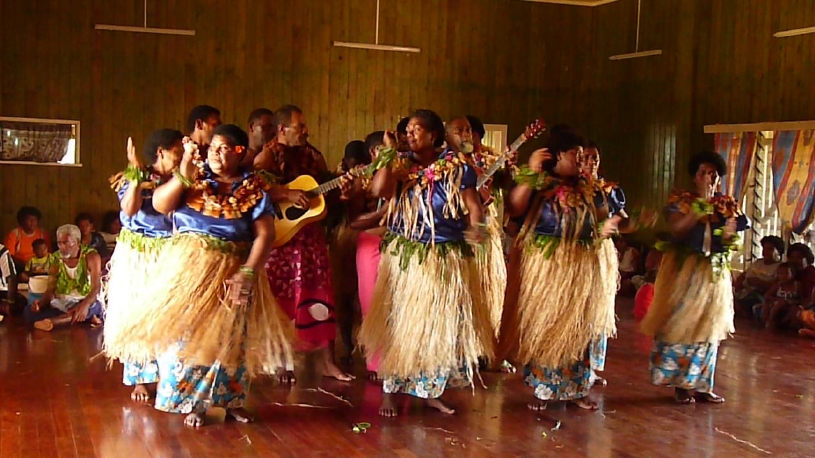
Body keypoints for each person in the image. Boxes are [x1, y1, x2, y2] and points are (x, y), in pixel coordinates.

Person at [113, 124, 293, 427]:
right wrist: (184, 170)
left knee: (232, 338)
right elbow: (160, 204)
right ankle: (194, 404)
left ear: (239, 153)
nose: (216, 155)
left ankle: (230, 402)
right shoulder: (194, 177)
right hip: (189, 268)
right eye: (213, 148)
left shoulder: (254, 188)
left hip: (234, 269)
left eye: (224, 149)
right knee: (188, 338)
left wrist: (248, 271)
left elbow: (265, 235)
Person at [359, 109, 493, 417]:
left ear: (433, 136)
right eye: (407, 130)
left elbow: (473, 204)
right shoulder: (399, 163)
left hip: (443, 255)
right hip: (405, 257)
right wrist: (388, 155)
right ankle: (390, 392)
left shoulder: (458, 167)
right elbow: (379, 191)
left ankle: (430, 391)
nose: (409, 134)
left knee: (437, 327)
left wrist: (478, 228)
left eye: (416, 129)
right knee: (397, 323)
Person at [500, 125, 623, 411]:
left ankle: (577, 389)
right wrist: (532, 171)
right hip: (546, 265)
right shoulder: (538, 183)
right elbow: (514, 209)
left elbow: (606, 216)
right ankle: (544, 389)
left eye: (583, 156)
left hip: (582, 266)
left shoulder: (590, 187)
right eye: (575, 155)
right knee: (547, 325)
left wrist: (611, 224)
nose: (581, 161)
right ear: (555, 155)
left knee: (579, 328)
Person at [254, 104, 353, 382]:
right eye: (300, 126)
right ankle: (282, 361)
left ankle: (327, 361)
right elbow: (252, 189)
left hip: (310, 238)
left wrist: (342, 193)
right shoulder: (267, 156)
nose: (306, 131)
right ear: (282, 129)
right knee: (282, 298)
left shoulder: (313, 156)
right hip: (281, 239)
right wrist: (285, 193)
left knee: (320, 295)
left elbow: (324, 195)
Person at [641, 151, 749, 404]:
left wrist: (729, 236)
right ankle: (680, 384)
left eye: (714, 174)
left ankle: (702, 385)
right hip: (685, 270)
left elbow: (732, 235)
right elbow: (678, 230)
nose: (709, 178)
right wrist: (701, 203)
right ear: (695, 177)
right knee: (680, 325)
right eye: (704, 173)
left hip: (712, 273)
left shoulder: (727, 205)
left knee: (708, 330)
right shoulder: (681, 202)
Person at [103, 129, 184, 403]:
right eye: (177, 151)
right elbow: (129, 209)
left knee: (168, 316)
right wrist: (137, 179)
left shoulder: (182, 179)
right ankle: (140, 378)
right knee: (137, 315)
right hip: (138, 254)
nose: (181, 156)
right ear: (161, 152)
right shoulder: (134, 176)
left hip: (172, 252)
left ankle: (167, 375)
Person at [348, 130, 388, 380]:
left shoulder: (401, 174)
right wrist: (383, 214)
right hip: (371, 244)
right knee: (371, 304)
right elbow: (354, 221)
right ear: (374, 152)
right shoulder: (361, 179)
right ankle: (376, 363)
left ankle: (399, 362)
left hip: (398, 245)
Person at [27, 224, 104, 331]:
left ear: (77, 242)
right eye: (59, 243)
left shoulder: (91, 257)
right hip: (62, 302)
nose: (62, 247)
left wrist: (84, 305)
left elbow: (96, 288)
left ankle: (53, 322)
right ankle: (85, 317)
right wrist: (41, 303)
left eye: (66, 243)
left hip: (85, 300)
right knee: (28, 312)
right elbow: (50, 290)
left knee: (93, 307)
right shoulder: (55, 258)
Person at [734, 236, 783, 317]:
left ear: (778, 251)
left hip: (761, 296)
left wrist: (759, 283)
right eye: (764, 249)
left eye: (770, 249)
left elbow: (777, 286)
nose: (766, 252)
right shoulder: (758, 262)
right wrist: (738, 285)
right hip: (744, 292)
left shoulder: (780, 267)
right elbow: (743, 275)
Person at [5, 206, 51, 272]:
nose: (32, 222)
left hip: (42, 266)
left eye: (35, 219)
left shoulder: (43, 234)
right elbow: (9, 256)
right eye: (29, 219)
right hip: (21, 267)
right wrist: (27, 265)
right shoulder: (14, 234)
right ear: (22, 221)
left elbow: (49, 253)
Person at [761, 263, 802, 328]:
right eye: (780, 273)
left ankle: (787, 323)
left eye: (786, 273)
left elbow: (801, 297)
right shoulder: (778, 285)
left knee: (795, 309)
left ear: (792, 274)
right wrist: (775, 299)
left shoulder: (797, 285)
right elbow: (767, 295)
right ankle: (770, 320)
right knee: (780, 303)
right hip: (778, 305)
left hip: (791, 305)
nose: (783, 276)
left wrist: (796, 302)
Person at [0, 242, 21, 319]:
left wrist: (10, 301)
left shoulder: (1, 250)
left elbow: (11, 277)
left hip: (1, 292)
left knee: (21, 304)